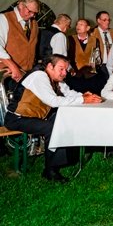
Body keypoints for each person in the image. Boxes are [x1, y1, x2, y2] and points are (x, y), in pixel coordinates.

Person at [4, 54, 102, 182]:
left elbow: (68, 93)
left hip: (35, 117)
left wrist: (85, 96)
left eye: (66, 70)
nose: (64, 73)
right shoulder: (39, 76)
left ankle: (66, 157)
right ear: (50, 66)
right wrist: (83, 99)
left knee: (61, 119)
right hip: (16, 119)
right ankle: (50, 170)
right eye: (61, 69)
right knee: (52, 128)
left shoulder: (54, 77)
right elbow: (53, 101)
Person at [0, 0, 40, 84]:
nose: (32, 15)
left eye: (35, 13)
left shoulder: (35, 24)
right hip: (7, 75)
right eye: (29, 11)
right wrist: (13, 67)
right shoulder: (4, 18)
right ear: (21, 5)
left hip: (26, 75)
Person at [65, 18, 107, 95]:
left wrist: (95, 66)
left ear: (87, 28)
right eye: (77, 24)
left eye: (81, 24)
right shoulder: (70, 39)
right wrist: (71, 70)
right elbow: (66, 58)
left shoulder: (95, 40)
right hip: (75, 76)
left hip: (91, 76)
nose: (78, 26)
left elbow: (98, 58)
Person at [91, 11, 113, 77]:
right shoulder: (92, 33)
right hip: (100, 66)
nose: (107, 22)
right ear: (98, 21)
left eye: (108, 20)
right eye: (104, 20)